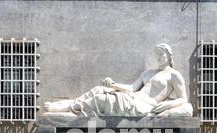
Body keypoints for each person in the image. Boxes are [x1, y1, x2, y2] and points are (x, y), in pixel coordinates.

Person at [42, 43, 193, 117]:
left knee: (101, 99)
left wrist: (165, 107)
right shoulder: (149, 72)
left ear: (169, 55)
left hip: (143, 105)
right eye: (157, 55)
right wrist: (114, 84)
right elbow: (133, 87)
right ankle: (72, 106)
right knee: (98, 90)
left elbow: (183, 99)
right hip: (133, 97)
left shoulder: (174, 75)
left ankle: (68, 109)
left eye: (162, 54)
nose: (159, 57)